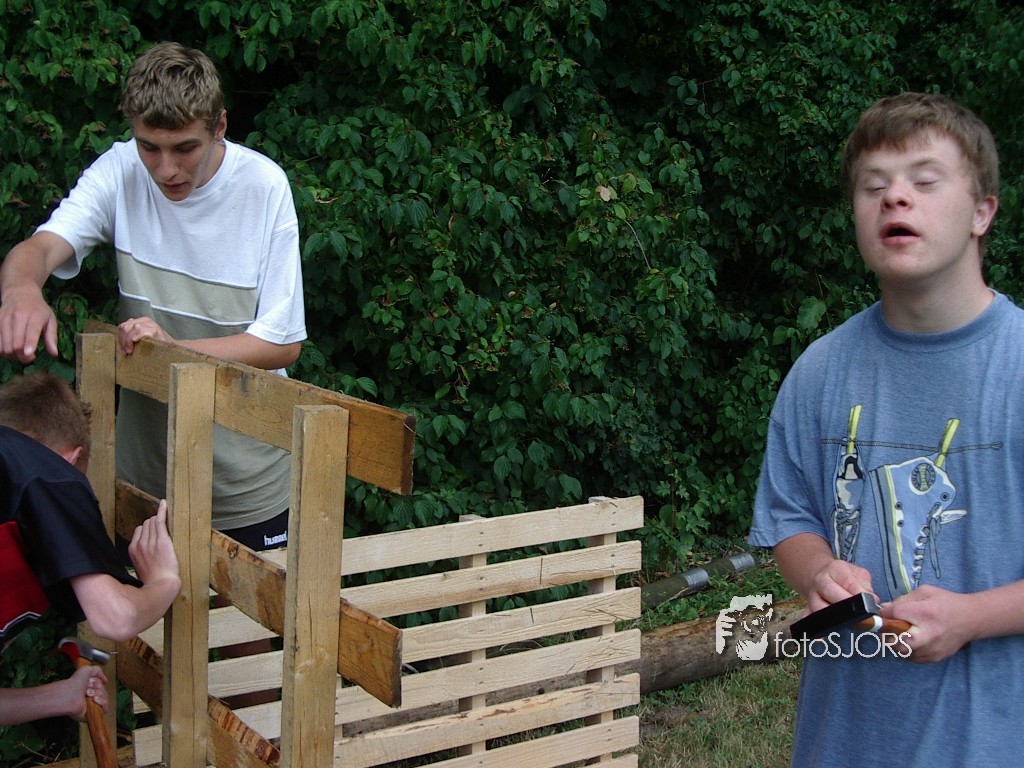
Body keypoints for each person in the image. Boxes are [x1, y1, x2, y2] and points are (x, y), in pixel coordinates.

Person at [747, 91, 1024, 766]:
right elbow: (789, 518)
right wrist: (819, 573)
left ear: (982, 213)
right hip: (844, 740)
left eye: (924, 181)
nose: (895, 197)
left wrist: (970, 618)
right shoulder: (819, 370)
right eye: (874, 186)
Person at [0, 41, 307, 551]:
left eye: (184, 148)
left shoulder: (263, 186)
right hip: (144, 476)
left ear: (220, 126)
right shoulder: (121, 169)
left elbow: (282, 343)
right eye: (149, 147)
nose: (165, 169)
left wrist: (174, 349)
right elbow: (42, 247)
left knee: (246, 609)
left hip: (248, 483)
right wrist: (21, 289)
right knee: (142, 606)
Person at [0, 370, 181, 726]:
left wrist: (61, 697)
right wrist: (163, 582)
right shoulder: (46, 473)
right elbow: (116, 618)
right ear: (72, 459)